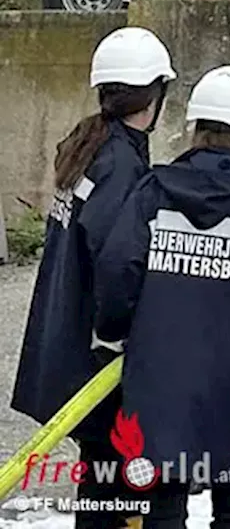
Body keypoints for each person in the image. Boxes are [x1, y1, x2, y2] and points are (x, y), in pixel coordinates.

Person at [93, 65, 230, 529]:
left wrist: (117, 332)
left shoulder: (153, 194)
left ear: (195, 128)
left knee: (161, 508)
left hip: (159, 379)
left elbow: (117, 269)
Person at [11, 27, 176, 529]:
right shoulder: (121, 165)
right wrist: (122, 336)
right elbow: (116, 263)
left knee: (98, 484)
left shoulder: (89, 146)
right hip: (96, 361)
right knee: (115, 490)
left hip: (66, 346)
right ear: (155, 95)